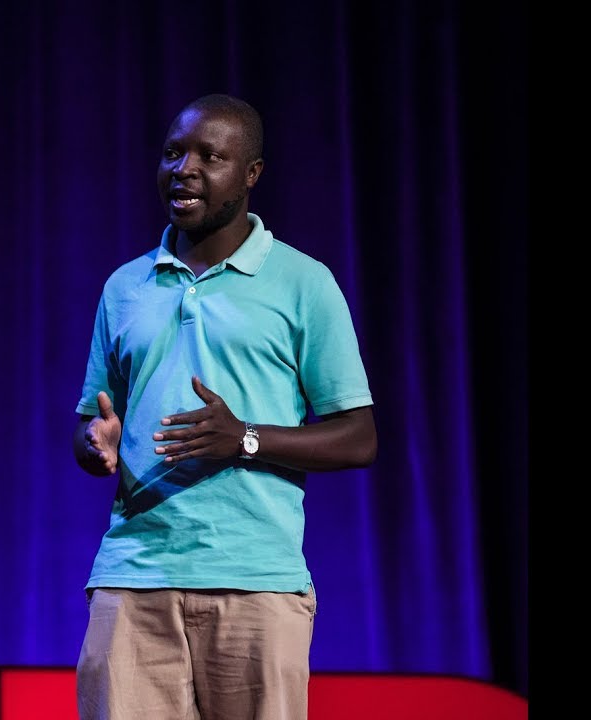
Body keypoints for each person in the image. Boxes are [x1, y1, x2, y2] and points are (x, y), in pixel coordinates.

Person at [71, 93, 377, 720]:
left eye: (210, 157)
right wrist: (94, 442)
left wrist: (244, 438)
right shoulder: (126, 285)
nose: (184, 169)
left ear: (251, 174)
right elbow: (91, 422)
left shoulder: (303, 282)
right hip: (134, 577)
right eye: (173, 153)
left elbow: (357, 437)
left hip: (255, 580)